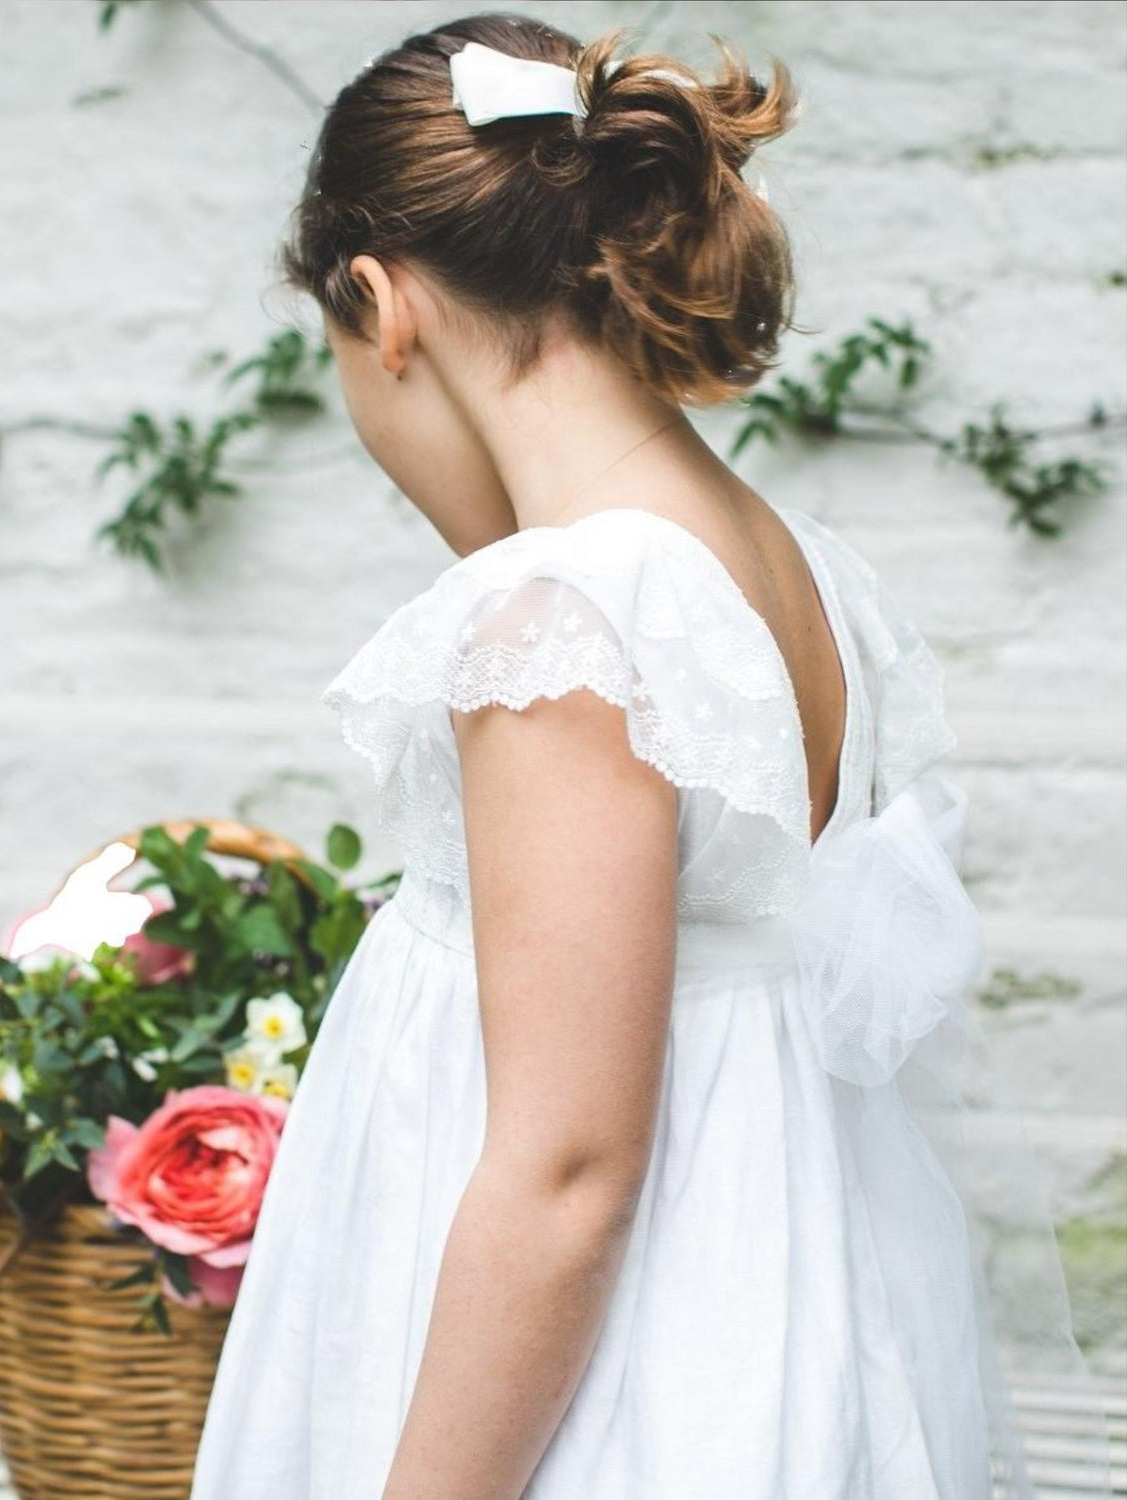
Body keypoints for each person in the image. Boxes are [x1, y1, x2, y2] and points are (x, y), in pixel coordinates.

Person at [189, 12, 1111, 1500]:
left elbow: (565, 1178)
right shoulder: (787, 565)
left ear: (383, 303)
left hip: (605, 1391)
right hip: (762, 1288)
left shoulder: (568, 623)